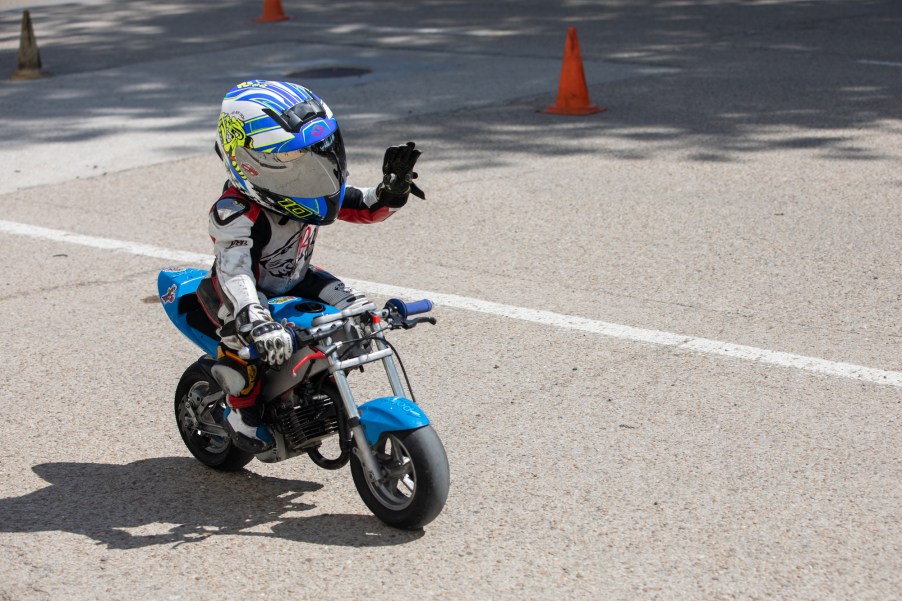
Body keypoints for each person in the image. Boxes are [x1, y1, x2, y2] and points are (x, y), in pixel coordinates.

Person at [197, 80, 424, 453]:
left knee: (361, 315)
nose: (312, 173)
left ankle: (316, 388)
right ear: (248, 164)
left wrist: (391, 192)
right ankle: (241, 416)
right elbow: (234, 271)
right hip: (242, 296)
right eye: (290, 162)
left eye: (315, 157)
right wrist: (257, 318)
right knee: (244, 348)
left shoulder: (307, 188)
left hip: (298, 279)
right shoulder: (233, 212)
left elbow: (363, 204)